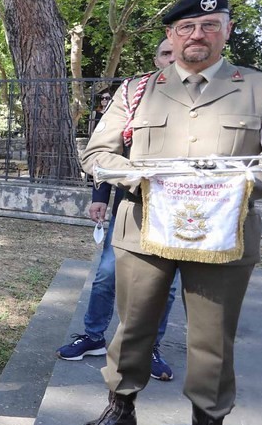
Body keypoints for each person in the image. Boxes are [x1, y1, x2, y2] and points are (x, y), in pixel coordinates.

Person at [79, 0, 262, 425]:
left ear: (226, 30)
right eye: (185, 27)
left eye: (209, 26)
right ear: (171, 35)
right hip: (144, 230)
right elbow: (97, 153)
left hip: (223, 237)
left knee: (212, 340)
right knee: (133, 327)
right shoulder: (138, 90)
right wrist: (141, 177)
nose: (197, 35)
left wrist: (235, 185)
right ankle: (121, 410)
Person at [60, 40, 183, 381]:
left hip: (178, 212)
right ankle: (93, 336)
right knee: (106, 274)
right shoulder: (135, 95)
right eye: (165, 54)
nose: (172, 59)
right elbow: (108, 151)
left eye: (177, 53)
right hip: (132, 205)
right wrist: (100, 194)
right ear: (156, 58)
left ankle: (149, 348)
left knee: (166, 286)